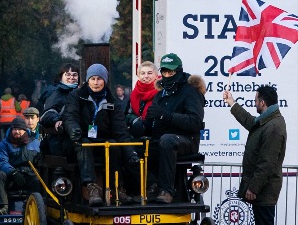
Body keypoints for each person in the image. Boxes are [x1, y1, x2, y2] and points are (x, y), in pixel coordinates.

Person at [225, 85, 286, 225]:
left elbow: (267, 163)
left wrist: (254, 187)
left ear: (263, 102)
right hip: (263, 186)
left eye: (256, 99)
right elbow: (250, 122)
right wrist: (232, 103)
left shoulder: (274, 126)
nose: (254, 103)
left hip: (265, 188)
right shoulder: (266, 121)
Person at [62, 64, 129, 206]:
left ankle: (118, 188)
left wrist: (131, 153)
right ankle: (91, 187)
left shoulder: (112, 101)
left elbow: (120, 129)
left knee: (114, 145)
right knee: (84, 143)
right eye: (93, 79)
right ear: (87, 80)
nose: (96, 82)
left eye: (99, 79)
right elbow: (70, 116)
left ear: (105, 81)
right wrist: (73, 129)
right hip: (77, 140)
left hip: (102, 140)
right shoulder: (76, 95)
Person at [143, 54, 206, 203]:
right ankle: (149, 185)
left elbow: (195, 122)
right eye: (164, 72)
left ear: (179, 71)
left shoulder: (190, 91)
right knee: (137, 146)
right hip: (162, 138)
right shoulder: (161, 94)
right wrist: (143, 124)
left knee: (167, 140)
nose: (167, 75)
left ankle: (167, 191)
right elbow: (153, 124)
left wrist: (167, 116)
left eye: (171, 72)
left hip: (187, 141)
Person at [0, 118, 40, 204]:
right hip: (11, 176)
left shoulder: (36, 143)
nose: (17, 131)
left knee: (38, 179)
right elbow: (1, 162)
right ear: (11, 130)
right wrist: (13, 173)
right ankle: (2, 206)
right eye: (14, 129)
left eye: (20, 129)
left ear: (25, 130)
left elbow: (41, 160)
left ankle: (30, 204)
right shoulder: (3, 144)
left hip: (29, 174)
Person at [127, 61, 160, 138]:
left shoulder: (162, 92)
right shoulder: (134, 93)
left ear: (156, 75)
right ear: (138, 75)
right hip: (138, 134)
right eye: (142, 73)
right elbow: (127, 114)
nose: (146, 76)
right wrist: (135, 121)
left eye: (149, 73)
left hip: (156, 135)